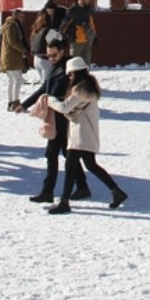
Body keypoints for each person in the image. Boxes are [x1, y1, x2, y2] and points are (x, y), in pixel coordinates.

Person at [44, 56, 127, 214]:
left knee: (70, 166)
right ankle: (117, 192)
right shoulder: (90, 87)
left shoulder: (80, 90)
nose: (69, 77)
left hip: (80, 134)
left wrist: (50, 100)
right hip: (87, 132)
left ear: (76, 73)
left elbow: (63, 108)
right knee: (90, 164)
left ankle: (64, 202)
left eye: (71, 74)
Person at [16, 38, 90, 203]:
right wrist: (25, 104)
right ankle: (81, 186)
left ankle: (49, 191)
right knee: (64, 153)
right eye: (48, 56)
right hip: (55, 116)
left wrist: (54, 100)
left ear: (63, 51)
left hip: (63, 117)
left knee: (53, 153)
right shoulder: (54, 67)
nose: (51, 58)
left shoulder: (69, 68)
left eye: (54, 55)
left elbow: (72, 93)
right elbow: (44, 89)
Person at [0, 8, 29, 111]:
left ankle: (11, 102)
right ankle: (15, 102)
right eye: (21, 17)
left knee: (12, 80)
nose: (23, 19)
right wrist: (23, 50)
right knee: (18, 79)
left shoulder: (11, 25)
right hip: (12, 57)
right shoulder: (11, 26)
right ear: (15, 16)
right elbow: (12, 41)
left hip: (10, 57)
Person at [63, 0, 98, 66]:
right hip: (76, 40)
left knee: (86, 63)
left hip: (88, 38)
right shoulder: (72, 11)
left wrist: (94, 34)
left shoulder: (88, 9)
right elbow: (64, 25)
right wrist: (66, 37)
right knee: (74, 63)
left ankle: (85, 77)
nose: (89, 0)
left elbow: (91, 22)